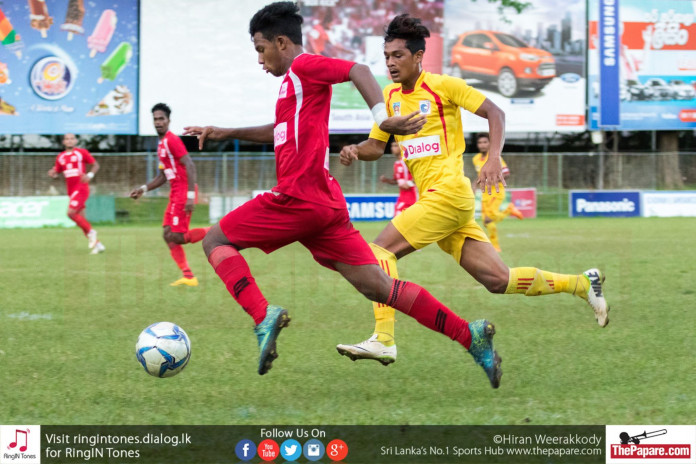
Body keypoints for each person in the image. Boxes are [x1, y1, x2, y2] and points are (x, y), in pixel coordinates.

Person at [183, 1, 502, 388]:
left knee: (215, 240)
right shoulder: (293, 86)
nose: (259, 58)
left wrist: (380, 117)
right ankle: (471, 336)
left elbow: (357, 69)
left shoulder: (303, 66)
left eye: (260, 49)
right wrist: (224, 131)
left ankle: (262, 315)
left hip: (298, 197)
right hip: (324, 205)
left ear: (282, 42)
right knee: (379, 287)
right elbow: (278, 130)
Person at [336, 14, 609, 366]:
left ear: (418, 57)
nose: (390, 62)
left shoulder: (443, 86)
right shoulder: (388, 97)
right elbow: (376, 147)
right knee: (498, 279)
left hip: (448, 194)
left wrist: (493, 157)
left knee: (378, 254)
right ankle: (583, 284)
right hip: (440, 203)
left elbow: (495, 112)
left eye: (398, 55)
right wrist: (355, 150)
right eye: (387, 56)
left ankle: (384, 339)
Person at [129, 103, 210, 287]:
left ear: (168, 121)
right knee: (167, 234)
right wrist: (143, 189)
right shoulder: (161, 145)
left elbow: (189, 165)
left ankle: (214, 231)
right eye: (155, 119)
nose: (158, 122)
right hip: (175, 192)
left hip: (183, 191)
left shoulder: (172, 140)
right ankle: (188, 276)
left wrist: (190, 195)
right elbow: (162, 176)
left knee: (176, 236)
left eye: (161, 119)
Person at [47, 133, 105, 254]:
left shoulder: (81, 152)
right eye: (67, 139)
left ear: (76, 141)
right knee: (82, 220)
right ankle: (97, 245)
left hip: (81, 187)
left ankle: (92, 233)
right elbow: (57, 171)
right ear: (63, 142)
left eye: (72, 138)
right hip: (71, 190)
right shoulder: (60, 157)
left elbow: (95, 165)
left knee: (71, 213)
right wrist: (53, 173)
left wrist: (90, 175)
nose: (69, 141)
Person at [471, 132, 524, 252]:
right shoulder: (476, 159)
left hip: (496, 191)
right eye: (480, 142)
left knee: (490, 219)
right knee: (486, 222)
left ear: (490, 144)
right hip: (485, 193)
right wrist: (475, 185)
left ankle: (509, 210)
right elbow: (481, 175)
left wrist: (492, 179)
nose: (482, 145)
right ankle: (495, 246)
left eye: (485, 142)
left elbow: (506, 173)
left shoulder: (495, 158)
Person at [380, 140, 417, 217]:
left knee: (398, 221)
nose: (393, 148)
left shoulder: (407, 161)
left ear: (401, 147)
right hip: (402, 196)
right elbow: (397, 181)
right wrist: (387, 180)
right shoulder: (397, 163)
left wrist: (409, 183)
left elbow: (418, 175)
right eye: (392, 146)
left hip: (411, 197)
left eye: (395, 146)